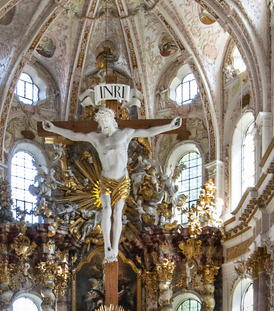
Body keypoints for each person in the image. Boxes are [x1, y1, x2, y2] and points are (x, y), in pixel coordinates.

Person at [42, 108, 182, 262]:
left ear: (112, 120)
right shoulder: (96, 138)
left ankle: (115, 247)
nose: (104, 125)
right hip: (105, 180)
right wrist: (54, 129)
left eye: (106, 121)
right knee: (107, 209)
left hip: (122, 180)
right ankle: (107, 245)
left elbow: (148, 132)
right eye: (101, 123)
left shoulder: (125, 134)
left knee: (118, 212)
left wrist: (170, 126)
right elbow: (75, 135)